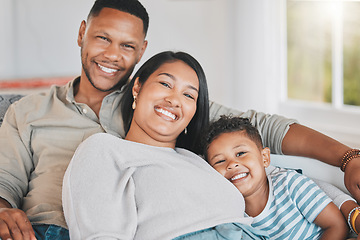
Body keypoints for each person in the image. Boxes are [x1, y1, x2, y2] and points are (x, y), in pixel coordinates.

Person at [0, 0, 358, 239]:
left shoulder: (167, 112)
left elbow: (260, 128)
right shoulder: (29, 112)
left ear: (141, 52)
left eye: (127, 46)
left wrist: (348, 158)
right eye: (102, 38)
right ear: (82, 34)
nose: (112, 55)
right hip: (52, 228)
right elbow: (4, 182)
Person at [62, 51, 268, 240]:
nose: (174, 100)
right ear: (137, 88)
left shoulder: (200, 160)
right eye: (165, 84)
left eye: (188, 95)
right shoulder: (104, 149)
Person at [203, 115, 349, 239]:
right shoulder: (232, 216)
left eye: (240, 154)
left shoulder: (290, 184)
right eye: (220, 161)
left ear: (265, 158)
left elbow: (337, 225)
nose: (232, 164)